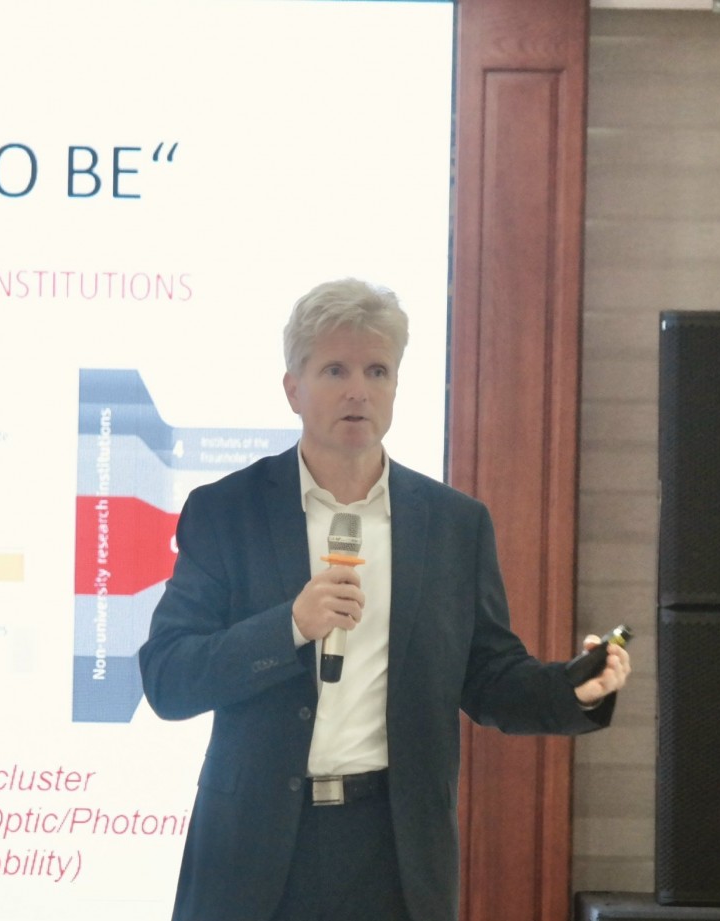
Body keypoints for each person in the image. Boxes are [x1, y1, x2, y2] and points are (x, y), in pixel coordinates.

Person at [138, 277, 630, 921]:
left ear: (396, 386)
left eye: (377, 371)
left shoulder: (453, 524)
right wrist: (290, 626)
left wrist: (573, 690)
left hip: (394, 851)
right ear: (292, 388)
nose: (358, 390)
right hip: (252, 851)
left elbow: (488, 676)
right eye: (334, 370)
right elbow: (169, 678)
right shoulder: (228, 511)